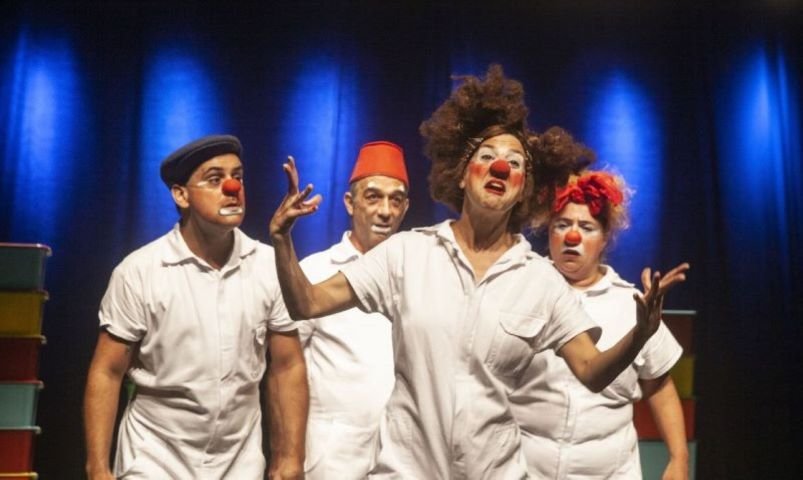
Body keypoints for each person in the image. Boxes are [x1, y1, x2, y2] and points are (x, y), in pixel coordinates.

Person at [269, 65, 688, 478]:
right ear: (461, 176)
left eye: (514, 163)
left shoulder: (540, 279)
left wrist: (639, 335)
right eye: (486, 157)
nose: (500, 168)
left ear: (522, 189)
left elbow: (592, 372)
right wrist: (283, 240)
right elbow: (307, 302)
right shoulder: (407, 253)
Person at [83, 135, 308, 480]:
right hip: (154, 458)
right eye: (215, 179)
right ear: (181, 195)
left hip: (239, 461)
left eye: (237, 176)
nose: (232, 188)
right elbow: (108, 371)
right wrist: (97, 467)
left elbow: (287, 365)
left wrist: (290, 456)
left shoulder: (269, 265)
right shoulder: (140, 271)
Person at [510, 170, 690, 479]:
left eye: (586, 227)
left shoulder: (631, 304)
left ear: (605, 237)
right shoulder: (521, 291)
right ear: (549, 231)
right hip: (525, 469)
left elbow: (659, 384)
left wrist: (679, 457)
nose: (572, 237)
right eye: (562, 225)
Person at [294, 141, 409, 478]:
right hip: (331, 456)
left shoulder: (417, 273)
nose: (385, 211)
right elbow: (286, 369)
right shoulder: (316, 271)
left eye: (395, 200)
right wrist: (288, 453)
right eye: (373, 197)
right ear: (350, 202)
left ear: (405, 208)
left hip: (400, 455)